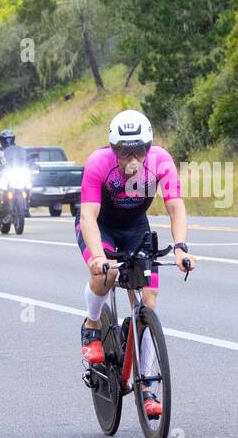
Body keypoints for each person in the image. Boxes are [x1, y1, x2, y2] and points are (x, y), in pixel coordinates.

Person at [77, 109, 195, 419]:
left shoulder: (160, 161)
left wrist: (181, 248)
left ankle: (147, 387)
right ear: (112, 149)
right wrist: (98, 258)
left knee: (149, 301)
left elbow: (175, 206)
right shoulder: (98, 163)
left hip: (135, 227)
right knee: (108, 273)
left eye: (139, 150)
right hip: (101, 226)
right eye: (123, 151)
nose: (131, 158)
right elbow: (88, 215)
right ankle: (91, 324)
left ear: (149, 147)